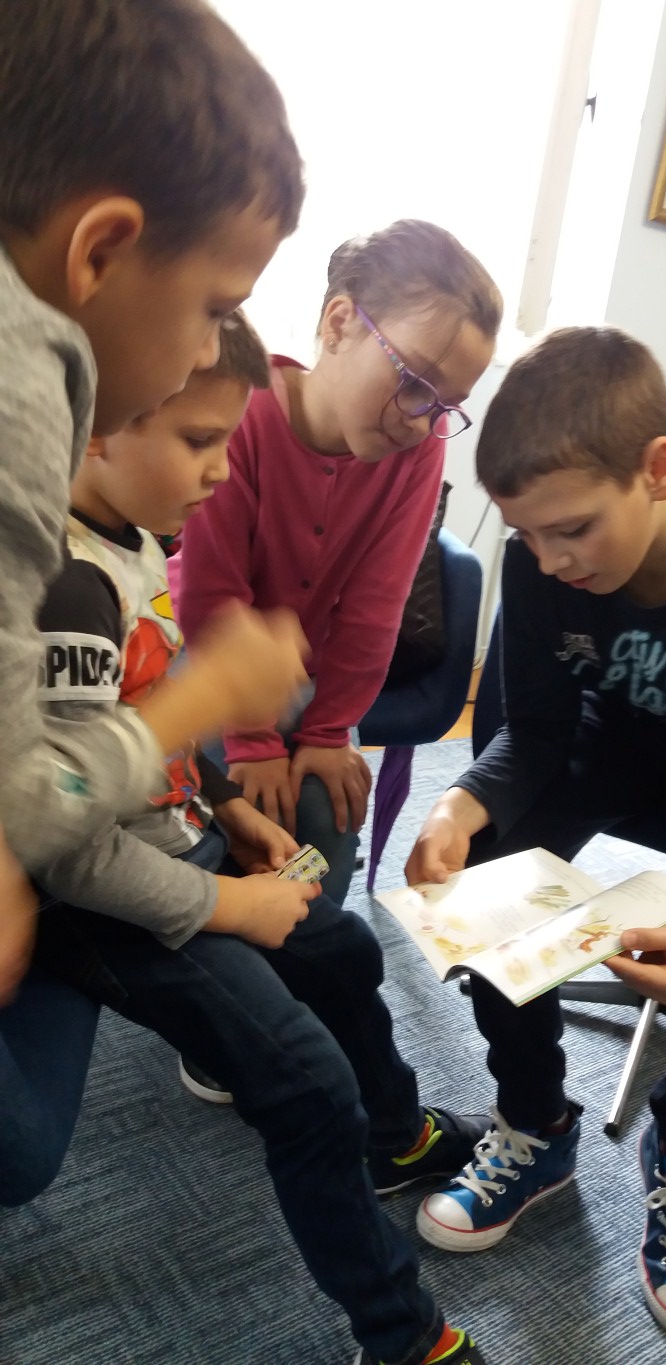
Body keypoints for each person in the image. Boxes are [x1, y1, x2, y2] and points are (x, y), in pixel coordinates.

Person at [29, 315, 490, 1365]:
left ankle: (397, 1135)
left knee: (344, 946)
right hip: (106, 897)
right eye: (199, 442)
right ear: (96, 428)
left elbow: (150, 719)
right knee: (306, 1083)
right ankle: (402, 1334)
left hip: (178, 837)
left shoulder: (135, 540)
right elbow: (64, 840)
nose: (217, 469)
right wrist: (227, 903)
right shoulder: (68, 589)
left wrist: (229, 809)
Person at [406, 326, 666, 1342]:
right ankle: (536, 1123)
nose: (550, 562)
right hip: (608, 743)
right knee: (482, 868)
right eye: (528, 537)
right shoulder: (542, 559)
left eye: (572, 530)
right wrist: (457, 805)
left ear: (658, 469)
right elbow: (535, 733)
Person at [0, 0, 308, 1004]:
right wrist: (205, 698)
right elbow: (28, 807)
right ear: (100, 252)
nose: (210, 350)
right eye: (216, 310)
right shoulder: (21, 393)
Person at [174, 219, 503, 907]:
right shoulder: (244, 410)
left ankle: (305, 942)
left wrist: (327, 732)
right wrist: (251, 738)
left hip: (311, 682)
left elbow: (375, 607)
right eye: (415, 382)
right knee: (239, 814)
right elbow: (211, 594)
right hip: (202, 662)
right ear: (339, 323)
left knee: (326, 822)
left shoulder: (420, 448)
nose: (423, 420)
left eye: (447, 405)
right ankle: (225, 925)